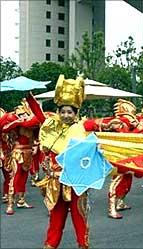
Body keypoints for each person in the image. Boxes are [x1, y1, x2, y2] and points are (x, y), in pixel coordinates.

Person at [27, 75, 89, 249]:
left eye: (69, 112)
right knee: (56, 220)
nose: (66, 115)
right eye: (62, 111)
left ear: (75, 113)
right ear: (58, 112)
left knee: (80, 219)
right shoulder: (51, 127)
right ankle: (50, 246)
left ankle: (84, 246)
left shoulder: (81, 130)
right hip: (56, 184)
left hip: (76, 184)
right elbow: (39, 115)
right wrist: (29, 97)